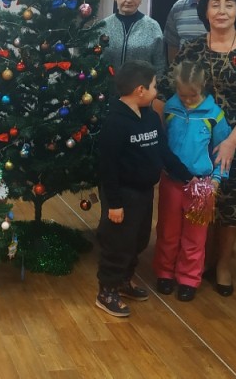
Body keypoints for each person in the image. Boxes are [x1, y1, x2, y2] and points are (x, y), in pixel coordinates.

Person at [164, 0, 236, 296]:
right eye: (215, 4)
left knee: (230, 203)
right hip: (196, 140)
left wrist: (231, 142)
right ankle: (198, 261)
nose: (222, 10)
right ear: (205, 11)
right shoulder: (193, 48)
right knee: (196, 198)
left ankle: (222, 263)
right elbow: (172, 87)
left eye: (229, 4)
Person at [95, 60, 191, 317]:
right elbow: (107, 167)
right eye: (154, 86)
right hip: (122, 195)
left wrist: (186, 175)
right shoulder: (115, 123)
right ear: (140, 90)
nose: (156, 91)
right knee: (118, 244)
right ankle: (107, 291)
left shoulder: (149, 117)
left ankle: (124, 280)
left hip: (144, 192)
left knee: (137, 240)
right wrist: (114, 204)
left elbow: (162, 151)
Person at [153, 61, 231, 302]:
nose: (187, 100)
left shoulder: (215, 115)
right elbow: (163, 142)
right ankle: (165, 273)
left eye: (192, 95)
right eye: (182, 94)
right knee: (167, 230)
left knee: (195, 236)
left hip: (202, 186)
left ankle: (189, 278)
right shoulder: (170, 108)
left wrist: (217, 179)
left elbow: (223, 152)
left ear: (202, 86)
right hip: (172, 182)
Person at [98, 0, 167, 86]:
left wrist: (156, 91)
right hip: (105, 92)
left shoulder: (152, 27)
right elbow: (91, 60)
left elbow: (160, 66)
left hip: (141, 93)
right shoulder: (103, 26)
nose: (129, 0)